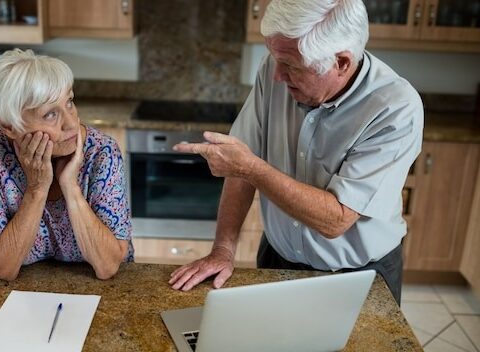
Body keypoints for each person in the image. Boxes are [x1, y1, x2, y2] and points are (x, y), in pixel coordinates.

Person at [169, 0, 423, 305]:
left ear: (341, 62)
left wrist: (252, 168)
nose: (277, 75)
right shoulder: (274, 71)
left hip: (359, 273)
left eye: (291, 66)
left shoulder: (395, 107)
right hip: (278, 259)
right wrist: (223, 249)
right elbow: (243, 160)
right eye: (276, 59)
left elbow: (336, 219)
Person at [0, 49, 133, 281]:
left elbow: (107, 267)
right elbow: (3, 268)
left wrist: (71, 188)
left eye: (69, 102)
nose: (71, 124)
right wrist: (36, 189)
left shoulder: (101, 152)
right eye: (50, 114)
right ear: (9, 126)